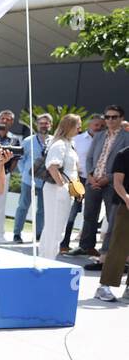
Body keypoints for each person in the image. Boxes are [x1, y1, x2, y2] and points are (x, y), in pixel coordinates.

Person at [77, 105, 129, 260]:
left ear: (121, 118)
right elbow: (89, 158)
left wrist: (108, 178)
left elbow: (124, 165)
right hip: (93, 181)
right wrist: (91, 176)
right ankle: (86, 247)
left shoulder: (126, 138)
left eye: (114, 117)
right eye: (107, 117)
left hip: (113, 184)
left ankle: (106, 252)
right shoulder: (99, 135)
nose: (110, 120)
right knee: (89, 216)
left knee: (111, 219)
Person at [38, 114, 80, 260]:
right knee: (54, 228)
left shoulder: (70, 143)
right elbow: (52, 167)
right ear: (69, 126)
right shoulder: (59, 144)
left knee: (57, 228)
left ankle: (47, 258)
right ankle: (47, 260)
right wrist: (63, 187)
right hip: (57, 191)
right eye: (77, 125)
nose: (80, 128)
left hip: (65, 191)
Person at [94, 144, 129, 302]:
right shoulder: (123, 154)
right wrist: (127, 198)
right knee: (118, 246)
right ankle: (104, 287)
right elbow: (117, 182)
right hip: (125, 205)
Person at [62, 114, 102, 251]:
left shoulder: (103, 140)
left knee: (90, 214)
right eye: (96, 125)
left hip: (94, 181)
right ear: (89, 125)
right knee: (71, 212)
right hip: (77, 180)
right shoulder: (77, 140)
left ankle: (86, 246)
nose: (99, 128)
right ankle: (64, 243)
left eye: (101, 125)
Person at [11, 112, 51, 243]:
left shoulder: (53, 141)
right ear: (37, 125)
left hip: (46, 181)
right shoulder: (28, 141)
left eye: (46, 123)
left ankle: (38, 234)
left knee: (42, 209)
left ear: (50, 125)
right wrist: (24, 172)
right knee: (23, 206)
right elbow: (20, 158)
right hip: (29, 180)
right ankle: (17, 234)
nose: (43, 126)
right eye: (41, 123)